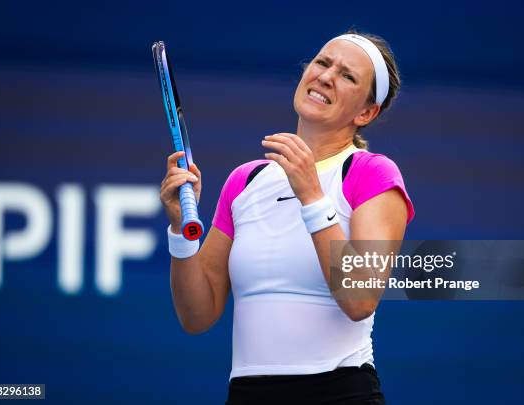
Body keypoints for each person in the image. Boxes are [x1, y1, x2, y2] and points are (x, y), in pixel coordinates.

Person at [160, 30, 415, 405]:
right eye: (323, 62)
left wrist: (312, 196)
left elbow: (361, 299)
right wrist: (181, 232)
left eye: (347, 76)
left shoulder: (372, 173)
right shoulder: (244, 181)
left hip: (340, 394)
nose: (326, 76)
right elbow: (196, 316)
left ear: (366, 112)